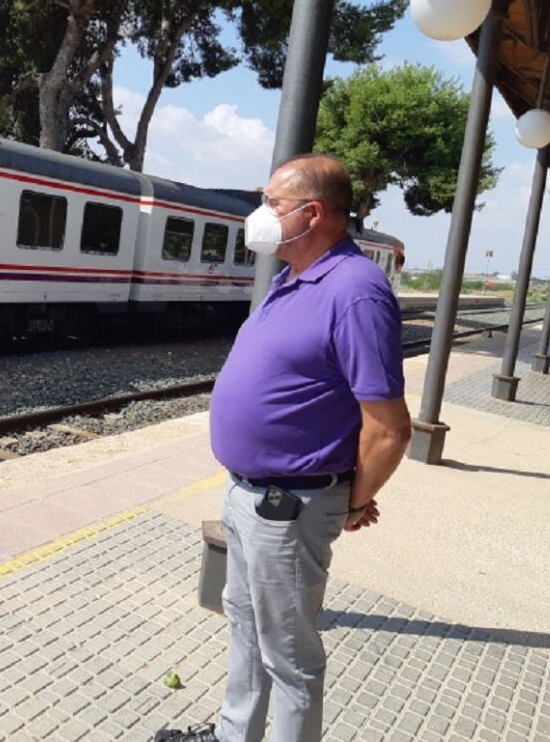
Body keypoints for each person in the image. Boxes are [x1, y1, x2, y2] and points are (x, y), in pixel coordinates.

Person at [155, 154, 412, 742]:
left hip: (289, 507)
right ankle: (233, 734)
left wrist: (351, 500)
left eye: (273, 203)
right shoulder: (293, 278)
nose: (261, 214)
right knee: (247, 625)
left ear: (313, 212)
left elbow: (389, 426)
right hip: (251, 495)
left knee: (290, 657)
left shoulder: (356, 292)